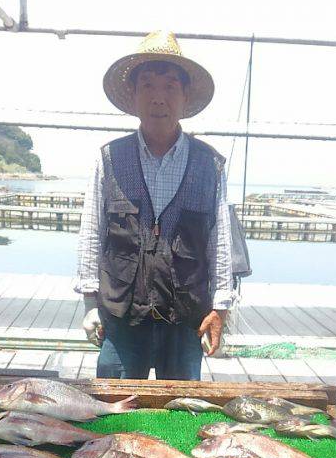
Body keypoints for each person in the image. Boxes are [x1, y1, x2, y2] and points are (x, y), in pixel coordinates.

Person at [75, 30, 234, 380]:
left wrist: (220, 307)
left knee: (179, 412)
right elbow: (91, 231)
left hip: (185, 319)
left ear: (185, 95)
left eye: (169, 87)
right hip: (121, 315)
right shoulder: (109, 158)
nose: (158, 98)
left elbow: (220, 240)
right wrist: (90, 303)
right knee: (111, 410)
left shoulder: (210, 165)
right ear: (132, 95)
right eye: (147, 85)